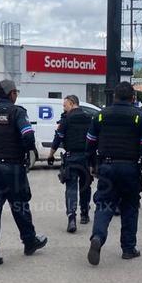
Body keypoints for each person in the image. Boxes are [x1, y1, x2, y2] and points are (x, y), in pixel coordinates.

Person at [0, 80, 48, 268]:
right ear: (11, 94)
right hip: (12, 167)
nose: (17, 95)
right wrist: (27, 151)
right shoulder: (17, 112)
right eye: (16, 92)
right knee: (20, 206)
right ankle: (29, 241)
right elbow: (28, 136)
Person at [85, 82, 142, 266]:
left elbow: (90, 142)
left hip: (107, 167)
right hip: (130, 168)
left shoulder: (100, 115)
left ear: (114, 96)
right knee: (130, 207)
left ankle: (98, 237)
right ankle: (128, 249)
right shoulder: (139, 116)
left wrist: (91, 164)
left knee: (104, 204)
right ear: (133, 98)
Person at [47, 95, 92, 233]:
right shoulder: (89, 118)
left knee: (71, 188)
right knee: (85, 186)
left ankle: (71, 217)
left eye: (65, 105)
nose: (64, 108)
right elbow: (94, 138)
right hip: (86, 158)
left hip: (71, 158)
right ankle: (84, 214)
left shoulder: (66, 119)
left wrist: (51, 154)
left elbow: (58, 138)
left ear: (72, 104)